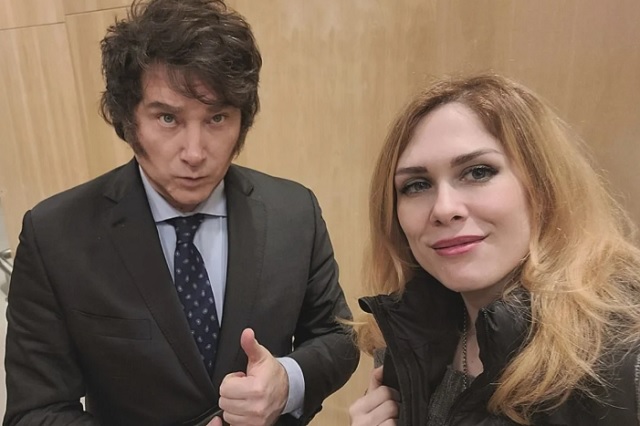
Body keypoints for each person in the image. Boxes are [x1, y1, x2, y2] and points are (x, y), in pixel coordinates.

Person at [3, 0, 359, 425]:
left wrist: (288, 381)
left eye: (217, 118)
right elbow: (34, 412)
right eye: (168, 118)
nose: (195, 153)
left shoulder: (295, 211)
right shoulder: (55, 235)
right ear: (128, 118)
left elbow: (338, 336)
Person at [349, 74, 640, 425]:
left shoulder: (627, 355)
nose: (444, 209)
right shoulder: (407, 331)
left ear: (543, 186)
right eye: (417, 185)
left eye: (478, 172)